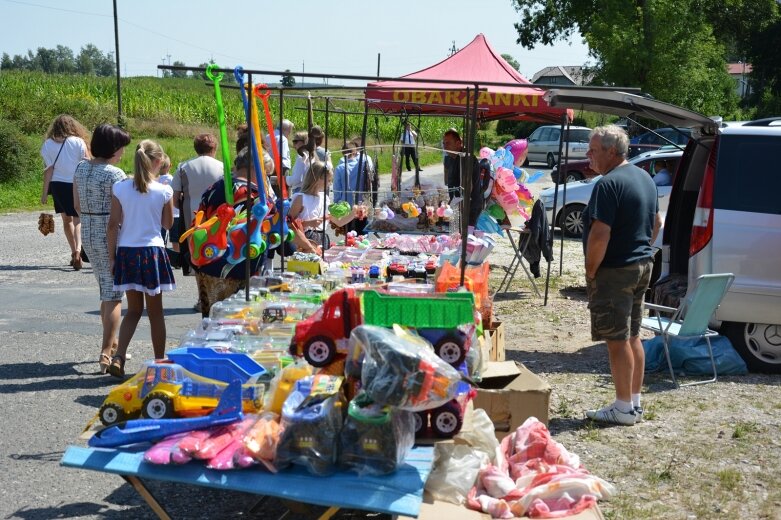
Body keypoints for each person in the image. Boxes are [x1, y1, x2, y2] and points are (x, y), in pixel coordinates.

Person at [582, 125, 662, 426]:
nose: (588, 155)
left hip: (616, 270)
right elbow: (657, 222)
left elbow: (600, 233)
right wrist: (641, 247)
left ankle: (623, 408)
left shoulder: (608, 184)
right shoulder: (644, 177)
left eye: (593, 150)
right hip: (642, 265)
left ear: (611, 152)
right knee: (631, 336)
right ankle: (633, 403)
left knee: (616, 340)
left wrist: (591, 270)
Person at [107, 140, 175, 377]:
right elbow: (167, 224)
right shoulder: (164, 190)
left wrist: (112, 257)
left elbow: (112, 225)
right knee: (155, 312)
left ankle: (118, 357)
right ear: (158, 162)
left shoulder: (120, 187)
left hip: (127, 251)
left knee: (133, 310)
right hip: (152, 252)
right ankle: (159, 363)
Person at [73, 123, 131, 374]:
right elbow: (122, 214)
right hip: (110, 233)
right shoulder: (115, 174)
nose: (123, 153)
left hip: (88, 228)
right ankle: (107, 351)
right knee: (114, 295)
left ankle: (113, 340)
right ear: (114, 148)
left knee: (105, 290)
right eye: (121, 148)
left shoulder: (81, 167)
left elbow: (76, 205)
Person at [194, 147, 265, 317]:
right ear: (254, 167)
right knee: (233, 321)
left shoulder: (214, 187)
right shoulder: (252, 193)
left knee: (211, 319)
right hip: (236, 266)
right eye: (263, 170)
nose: (264, 176)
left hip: (207, 258)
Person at [40, 114, 91, 270]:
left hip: (57, 185)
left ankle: (72, 251)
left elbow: (48, 171)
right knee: (78, 220)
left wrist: (44, 193)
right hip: (76, 184)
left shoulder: (47, 144)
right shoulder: (78, 142)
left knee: (66, 220)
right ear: (72, 126)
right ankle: (78, 251)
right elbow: (87, 163)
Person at [171, 134, 223, 277]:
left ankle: (196, 277)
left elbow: (175, 199)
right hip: (215, 213)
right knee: (213, 249)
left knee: (195, 251)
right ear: (214, 148)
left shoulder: (183, 167)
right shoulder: (223, 167)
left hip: (192, 214)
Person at [442, 128, 483, 227]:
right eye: (444, 143)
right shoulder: (452, 158)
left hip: (468, 207)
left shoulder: (466, 158)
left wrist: (456, 207)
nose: (445, 146)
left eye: (448, 143)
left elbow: (467, 187)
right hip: (458, 204)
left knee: (465, 236)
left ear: (458, 143)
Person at [157, 153, 180, 253]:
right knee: (175, 239)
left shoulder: (155, 180)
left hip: (161, 214)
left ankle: (162, 254)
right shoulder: (172, 179)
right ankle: (177, 258)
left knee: (161, 237)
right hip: (175, 213)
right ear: (170, 166)